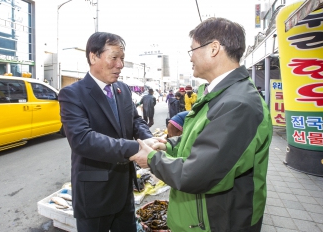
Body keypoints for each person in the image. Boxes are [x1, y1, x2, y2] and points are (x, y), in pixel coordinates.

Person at [130, 17, 272, 232]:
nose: (191, 58)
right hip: (202, 217)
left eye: (193, 50)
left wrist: (151, 159)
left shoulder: (237, 103)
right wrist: (168, 146)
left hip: (218, 222)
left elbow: (198, 174)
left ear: (214, 48)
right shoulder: (221, 95)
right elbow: (204, 144)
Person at [58, 32, 161, 232]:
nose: (120, 64)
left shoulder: (122, 89)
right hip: (94, 194)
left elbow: (135, 121)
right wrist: (135, 148)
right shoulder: (72, 94)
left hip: (124, 188)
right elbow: (82, 139)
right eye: (114, 57)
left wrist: (148, 140)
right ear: (93, 56)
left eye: (122, 58)